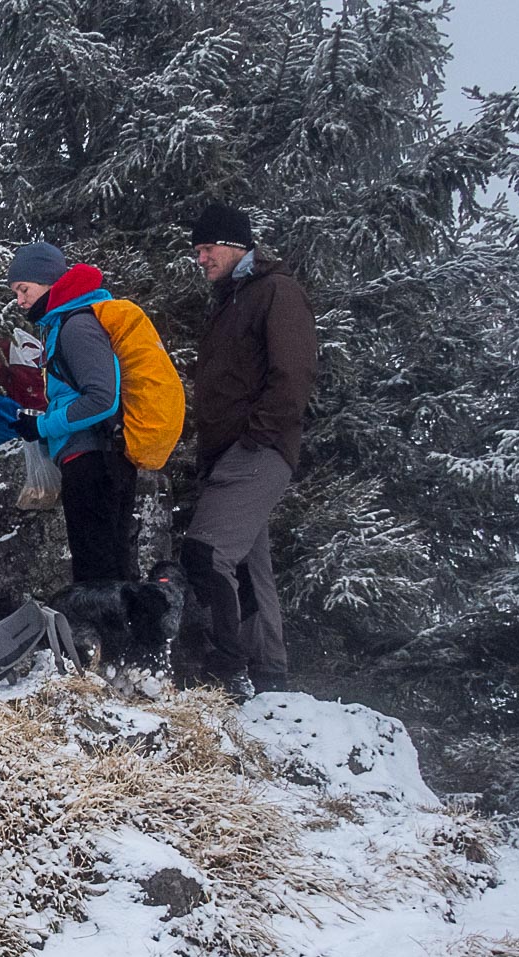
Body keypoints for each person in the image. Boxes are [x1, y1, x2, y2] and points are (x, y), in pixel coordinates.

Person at [183, 203, 316, 702]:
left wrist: (257, 436)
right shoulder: (231, 297)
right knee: (247, 565)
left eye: (207, 248)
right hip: (229, 452)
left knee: (206, 552)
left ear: (236, 244)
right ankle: (270, 675)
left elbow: (294, 373)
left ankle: (226, 671)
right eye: (197, 250)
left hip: (256, 449)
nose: (201, 258)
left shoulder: (275, 291)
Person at [0, 242, 138, 584]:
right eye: (16, 292)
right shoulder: (64, 322)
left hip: (95, 461)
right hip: (93, 460)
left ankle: (111, 636)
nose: (20, 300)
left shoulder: (77, 325)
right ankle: (121, 633)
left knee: (98, 577)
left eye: (24, 289)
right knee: (108, 571)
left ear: (48, 282)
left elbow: (103, 398)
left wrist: (43, 425)